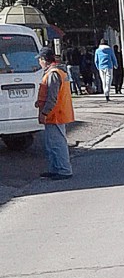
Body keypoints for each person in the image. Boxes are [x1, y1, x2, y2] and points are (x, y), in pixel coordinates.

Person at [35, 47, 74, 180]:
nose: (39, 63)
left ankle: (64, 170)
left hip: (55, 114)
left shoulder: (53, 74)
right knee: (52, 144)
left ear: (44, 60)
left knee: (57, 144)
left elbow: (52, 97)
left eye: (40, 60)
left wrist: (44, 112)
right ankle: (55, 169)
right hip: (57, 112)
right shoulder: (58, 72)